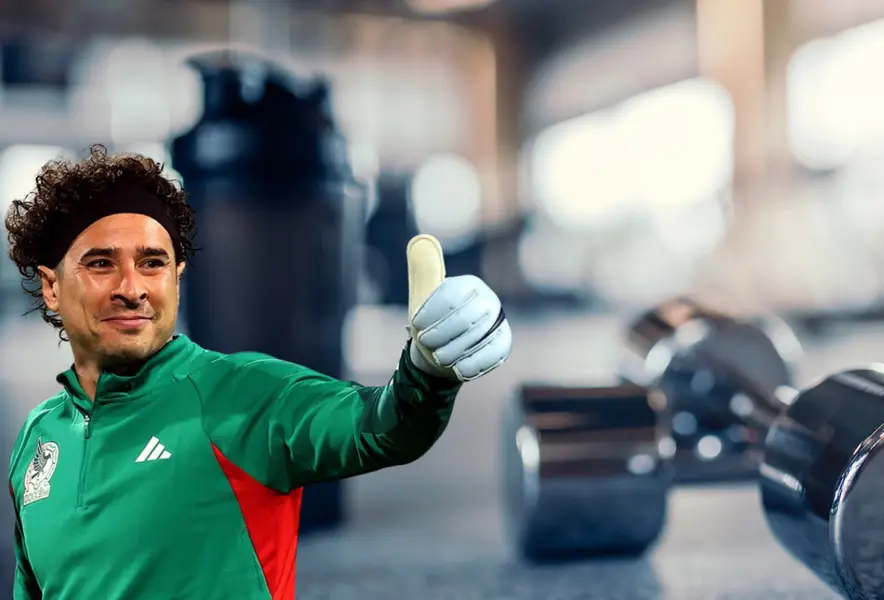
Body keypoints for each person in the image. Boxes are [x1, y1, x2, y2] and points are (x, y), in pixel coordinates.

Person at [3, 145, 512, 599]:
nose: (132, 287)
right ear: (51, 287)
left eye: (153, 263)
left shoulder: (239, 393)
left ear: (177, 278)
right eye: (101, 264)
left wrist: (426, 373)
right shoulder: (38, 438)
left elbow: (382, 426)